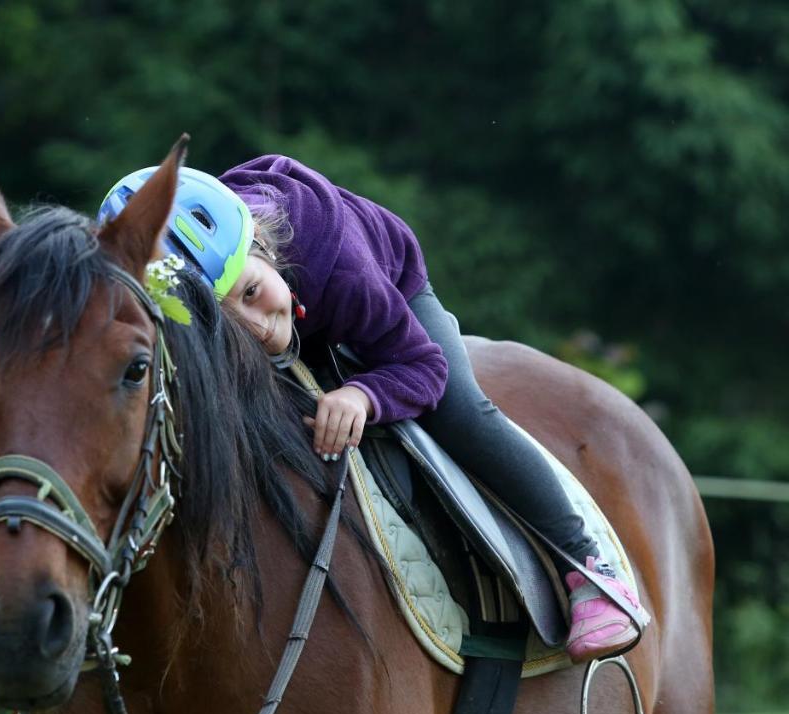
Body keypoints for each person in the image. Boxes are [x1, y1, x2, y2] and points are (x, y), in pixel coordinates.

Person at [97, 155, 642, 663]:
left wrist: (364, 394)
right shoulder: (242, 309)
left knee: (461, 414)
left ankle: (588, 568)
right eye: (232, 323)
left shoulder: (348, 276)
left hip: (390, 288)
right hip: (293, 289)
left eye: (251, 294)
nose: (260, 329)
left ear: (259, 244)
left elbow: (421, 368)